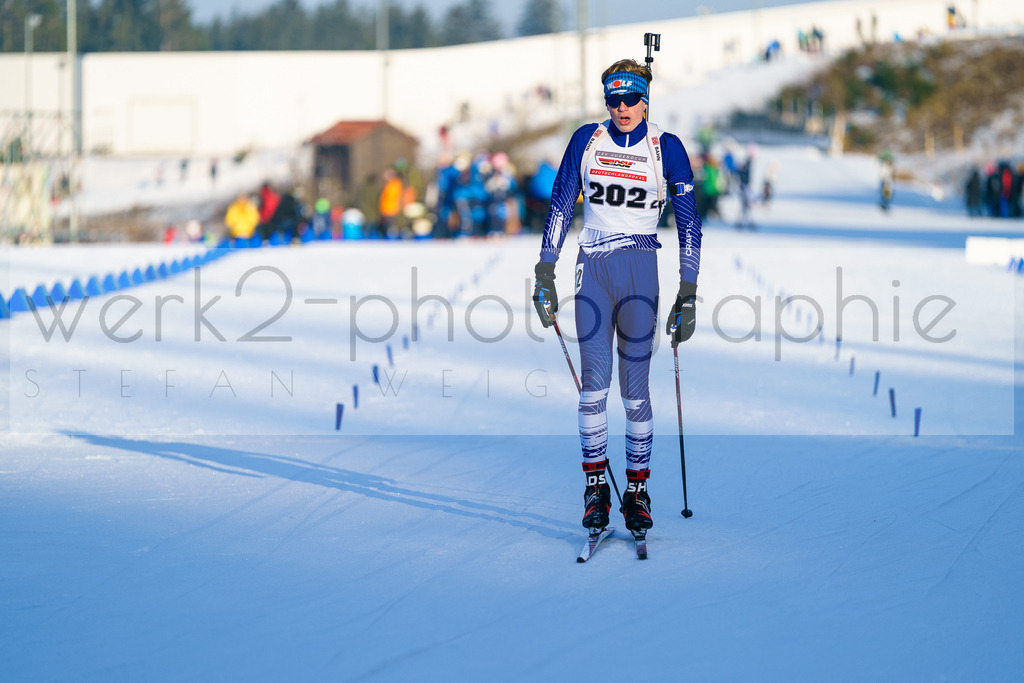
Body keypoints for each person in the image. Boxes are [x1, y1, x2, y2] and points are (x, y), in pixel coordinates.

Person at [531, 58, 703, 539]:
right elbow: (562, 202)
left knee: (634, 393)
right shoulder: (587, 140)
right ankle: (595, 492)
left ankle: (638, 492)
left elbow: (689, 224)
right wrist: (546, 269)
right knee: (593, 387)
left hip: (640, 274)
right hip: (594, 272)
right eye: (613, 98)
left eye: (630, 98)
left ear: (645, 99)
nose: (622, 107)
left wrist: (688, 290)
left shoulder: (664, 148)